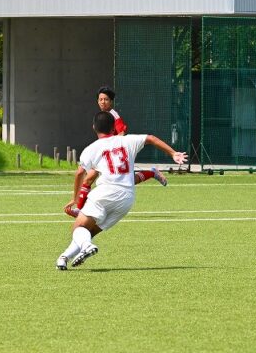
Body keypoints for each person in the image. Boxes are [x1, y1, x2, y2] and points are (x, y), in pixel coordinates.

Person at [57, 111, 187, 270]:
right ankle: (64, 258)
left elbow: (79, 174)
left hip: (105, 193)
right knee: (88, 232)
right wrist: (173, 153)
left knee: (78, 229)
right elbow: (151, 138)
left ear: (94, 127)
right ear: (113, 128)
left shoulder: (92, 148)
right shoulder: (127, 140)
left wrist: (75, 199)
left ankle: (86, 247)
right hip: (126, 200)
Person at [97, 86, 167, 186]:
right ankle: (152, 173)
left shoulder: (113, 115)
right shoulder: (101, 115)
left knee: (127, 181)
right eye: (100, 99)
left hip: (117, 153)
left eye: (106, 99)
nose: (103, 102)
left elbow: (122, 132)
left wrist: (113, 144)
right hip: (108, 153)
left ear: (111, 101)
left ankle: (152, 173)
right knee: (126, 180)